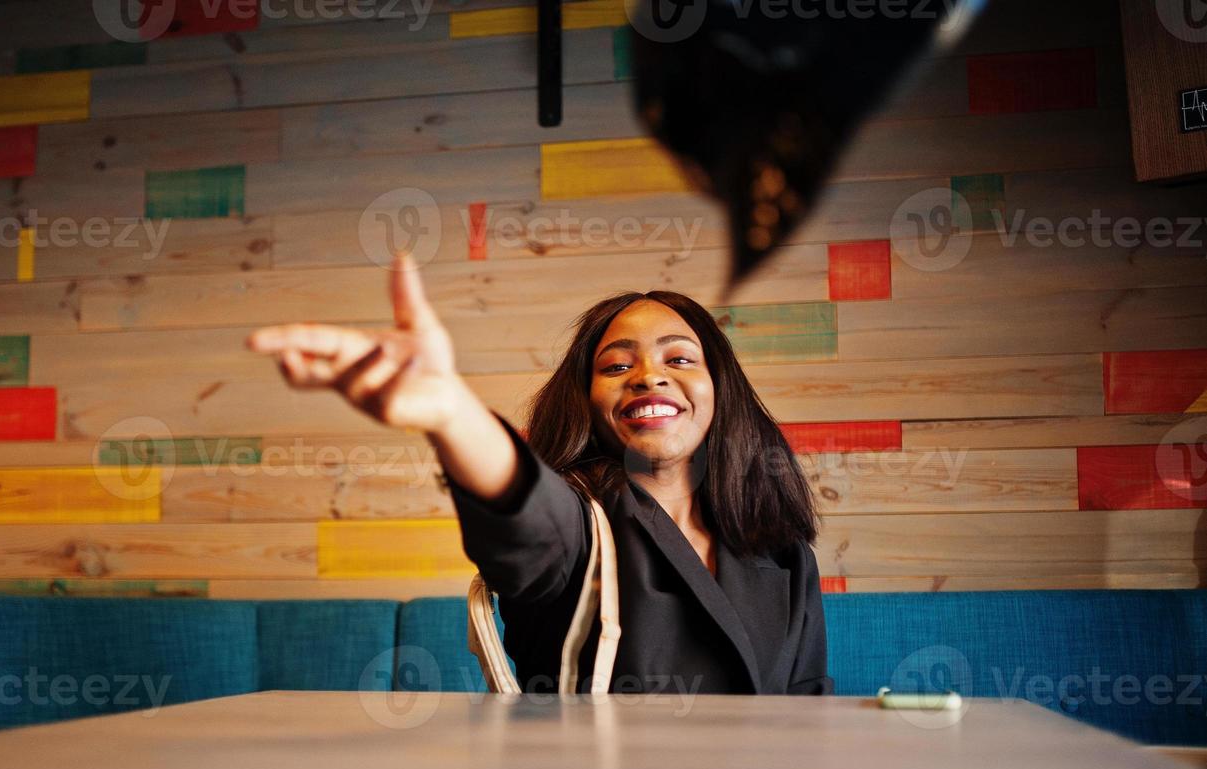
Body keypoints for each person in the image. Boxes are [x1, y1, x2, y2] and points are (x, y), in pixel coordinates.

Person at [247, 254, 830, 696]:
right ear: (586, 402)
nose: (648, 376)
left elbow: (808, 716)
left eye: (679, 358)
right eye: (617, 365)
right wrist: (453, 412)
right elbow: (525, 505)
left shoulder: (783, 552)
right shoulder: (577, 526)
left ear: (720, 389)